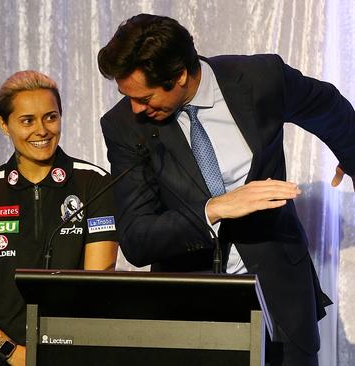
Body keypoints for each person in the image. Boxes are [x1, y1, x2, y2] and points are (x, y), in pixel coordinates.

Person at [97, 13, 354, 366]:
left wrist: (351, 156)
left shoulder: (261, 79)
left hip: (282, 298)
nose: (136, 108)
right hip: (190, 312)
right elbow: (137, 239)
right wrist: (215, 209)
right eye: (128, 97)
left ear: (180, 75)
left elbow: (328, 107)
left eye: (145, 97)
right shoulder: (124, 126)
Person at [0, 70, 119, 365]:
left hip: (67, 355)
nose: (42, 130)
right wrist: (12, 352)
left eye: (50, 117)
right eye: (27, 120)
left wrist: (56, 351)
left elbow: (96, 285)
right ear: (4, 125)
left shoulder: (94, 182)